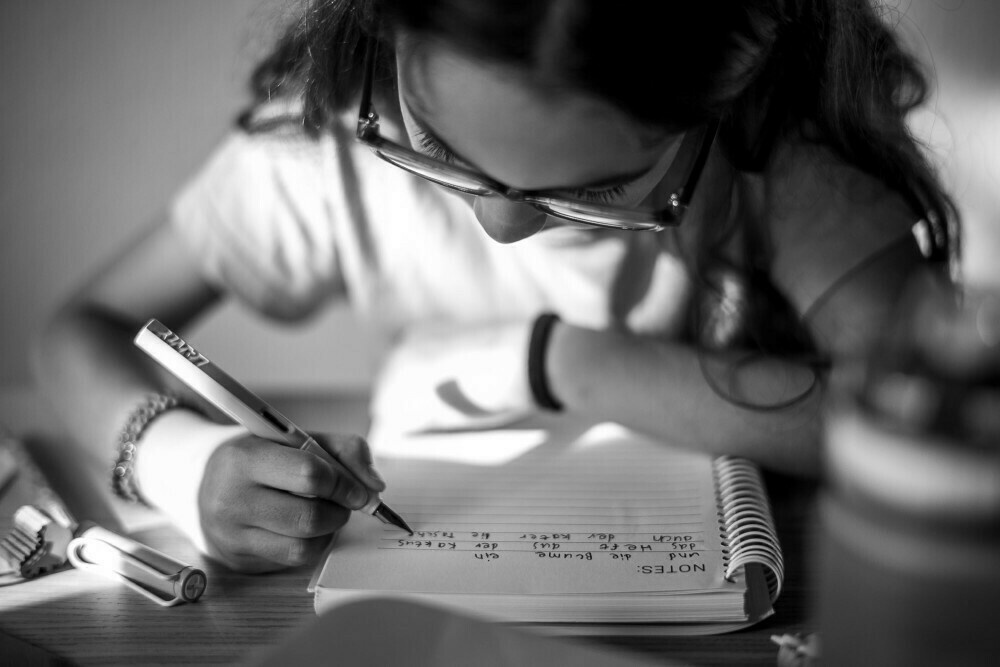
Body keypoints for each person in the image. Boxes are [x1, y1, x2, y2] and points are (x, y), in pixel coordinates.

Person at [33, 0, 959, 573]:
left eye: (596, 189)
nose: (501, 224)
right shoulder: (328, 148)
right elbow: (81, 332)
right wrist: (181, 462)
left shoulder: (776, 153)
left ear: (719, 102)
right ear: (378, 25)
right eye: (438, 146)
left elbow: (934, 421)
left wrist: (554, 361)